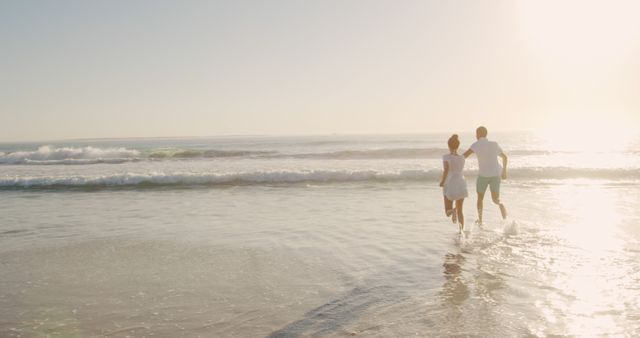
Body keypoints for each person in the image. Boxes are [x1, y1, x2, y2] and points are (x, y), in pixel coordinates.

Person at [463, 126, 508, 224]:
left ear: (477, 135)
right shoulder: (494, 144)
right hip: (495, 174)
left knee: (480, 199)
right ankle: (500, 204)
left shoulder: (475, 145)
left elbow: (464, 156)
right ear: (486, 134)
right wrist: (504, 171)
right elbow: (504, 157)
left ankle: (480, 220)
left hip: (483, 175)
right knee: (495, 199)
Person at [439, 134, 468, 233]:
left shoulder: (446, 157)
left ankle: (453, 210)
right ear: (458, 146)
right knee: (461, 211)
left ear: (449, 146)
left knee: (447, 212)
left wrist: (442, 182)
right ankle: (461, 232)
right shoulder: (462, 158)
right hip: (461, 182)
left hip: (450, 183)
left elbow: (446, 170)